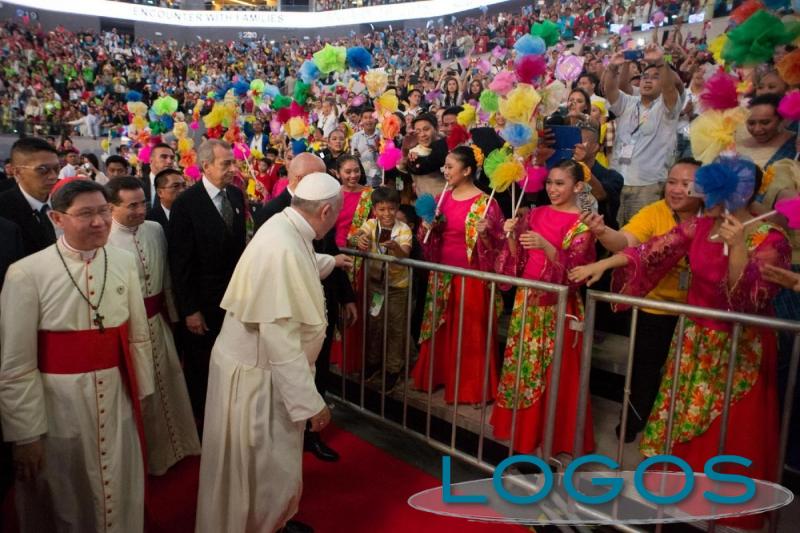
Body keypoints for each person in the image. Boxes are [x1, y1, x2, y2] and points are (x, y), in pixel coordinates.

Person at [576, 157, 790, 529]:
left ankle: (724, 503)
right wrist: (604, 264)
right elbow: (650, 251)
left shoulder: (770, 239)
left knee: (730, 429)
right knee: (683, 419)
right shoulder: (700, 225)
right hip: (694, 339)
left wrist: (738, 246)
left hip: (739, 347)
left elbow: (747, 299)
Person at [0, 179, 154, 533]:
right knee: (65, 493)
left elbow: (137, 335)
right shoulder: (26, 273)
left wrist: (141, 393)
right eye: (85, 214)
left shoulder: (123, 261)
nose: (99, 222)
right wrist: (25, 435)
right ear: (56, 218)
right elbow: (16, 363)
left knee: (118, 480)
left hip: (117, 393)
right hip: (58, 405)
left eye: (103, 211)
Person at [196, 172, 341, 533]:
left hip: (259, 370)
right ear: (325, 210)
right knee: (263, 466)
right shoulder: (283, 246)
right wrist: (310, 403)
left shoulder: (284, 224)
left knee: (270, 463)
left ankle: (273, 522)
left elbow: (303, 264)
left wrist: (332, 263)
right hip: (260, 377)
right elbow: (281, 337)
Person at [569, 158, 702, 442]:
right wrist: (603, 232)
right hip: (656, 307)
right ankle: (633, 420)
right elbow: (628, 243)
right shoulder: (654, 213)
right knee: (644, 368)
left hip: (698, 313)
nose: (677, 190)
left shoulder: (714, 219)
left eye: (686, 184)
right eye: (671, 182)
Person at [254, 152, 356, 464]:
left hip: (319, 307)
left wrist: (346, 296)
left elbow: (329, 253)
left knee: (319, 370)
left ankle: (311, 434)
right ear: (297, 180)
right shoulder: (272, 216)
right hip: (289, 318)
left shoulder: (303, 216)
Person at [491, 160, 596, 455]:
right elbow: (518, 259)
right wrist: (511, 237)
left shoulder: (584, 223)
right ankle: (521, 428)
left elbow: (577, 271)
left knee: (555, 371)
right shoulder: (536, 213)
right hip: (528, 301)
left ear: (577, 187)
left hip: (559, 306)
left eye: (560, 183)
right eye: (549, 182)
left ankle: (555, 433)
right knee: (523, 365)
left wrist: (547, 246)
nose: (552, 188)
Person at [107, 177, 201, 476]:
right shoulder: (104, 238)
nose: (139, 210)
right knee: (142, 394)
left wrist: (176, 318)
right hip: (127, 330)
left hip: (159, 322)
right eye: (131, 205)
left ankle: (178, 448)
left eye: (142, 203)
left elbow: (169, 278)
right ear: (111, 207)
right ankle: (145, 460)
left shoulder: (156, 229)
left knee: (169, 383)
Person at [410, 145, 504, 404]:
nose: (445, 171)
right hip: (443, 274)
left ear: (467, 170)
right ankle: (439, 375)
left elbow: (500, 246)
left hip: (472, 278)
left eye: (450, 167)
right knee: (440, 329)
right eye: (445, 166)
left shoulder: (487, 204)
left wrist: (487, 234)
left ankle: (471, 388)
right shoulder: (442, 197)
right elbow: (429, 239)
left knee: (471, 334)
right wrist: (428, 227)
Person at [167, 139, 247, 423]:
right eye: (226, 164)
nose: (233, 169)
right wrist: (190, 309)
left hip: (233, 302)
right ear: (206, 166)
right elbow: (180, 262)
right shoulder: (186, 204)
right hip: (202, 305)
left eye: (233, 162)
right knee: (202, 368)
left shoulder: (236, 196)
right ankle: (201, 424)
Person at [602, 44, 684, 226]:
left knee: (641, 242)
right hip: (618, 181)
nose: (648, 81)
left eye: (655, 78)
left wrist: (660, 62)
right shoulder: (630, 102)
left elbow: (671, 89)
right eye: (645, 77)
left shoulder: (668, 106)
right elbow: (610, 90)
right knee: (616, 235)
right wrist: (613, 67)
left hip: (648, 186)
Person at [355, 186, 413, 390]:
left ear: (397, 208)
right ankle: (373, 363)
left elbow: (405, 253)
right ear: (374, 210)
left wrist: (396, 248)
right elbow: (355, 236)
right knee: (374, 324)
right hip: (376, 287)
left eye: (391, 209)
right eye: (381, 209)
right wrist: (358, 239)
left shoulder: (403, 229)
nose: (386, 214)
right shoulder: (370, 224)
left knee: (396, 329)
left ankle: (392, 369)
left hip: (398, 287)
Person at [329, 154, 372, 374]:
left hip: (360, 259)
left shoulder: (370, 195)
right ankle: (335, 353)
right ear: (337, 173)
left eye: (356, 170)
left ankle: (354, 357)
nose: (353, 175)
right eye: (348, 171)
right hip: (335, 257)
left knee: (356, 306)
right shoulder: (332, 194)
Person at [0, 137, 59, 256]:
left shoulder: (66, 202)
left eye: (57, 168)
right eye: (42, 169)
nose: (53, 176)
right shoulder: (3, 210)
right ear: (17, 172)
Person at [735, 94, 798, 169]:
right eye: (751, 123)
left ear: (781, 120)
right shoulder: (739, 141)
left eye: (765, 122)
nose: (757, 129)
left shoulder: (795, 144)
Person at [401, 113, 449, 198]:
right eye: (418, 131)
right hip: (423, 203)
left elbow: (429, 164)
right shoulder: (413, 150)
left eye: (426, 129)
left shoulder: (447, 147)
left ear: (436, 128)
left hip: (446, 200)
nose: (422, 134)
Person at [350, 107, 381, 187]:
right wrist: (355, 155)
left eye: (371, 117)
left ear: (376, 119)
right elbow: (353, 155)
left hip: (380, 177)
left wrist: (378, 150)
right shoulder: (356, 136)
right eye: (365, 118)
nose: (368, 120)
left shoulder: (382, 135)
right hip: (363, 177)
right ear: (361, 120)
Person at [145, 143, 176, 208]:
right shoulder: (139, 184)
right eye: (164, 157)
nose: (169, 161)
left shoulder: (180, 186)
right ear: (151, 160)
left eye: (172, 158)